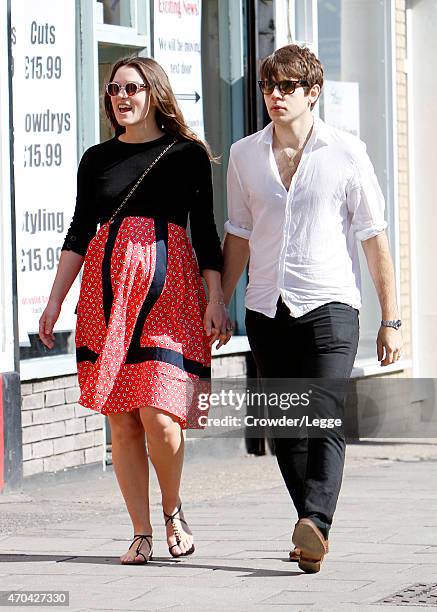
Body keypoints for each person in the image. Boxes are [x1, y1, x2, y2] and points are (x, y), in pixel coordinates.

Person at [39, 56, 232, 564]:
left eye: (132, 87)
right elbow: (79, 233)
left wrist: (217, 299)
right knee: (122, 420)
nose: (121, 97)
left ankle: (173, 511)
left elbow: (205, 232)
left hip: (170, 295)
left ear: (155, 93)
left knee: (161, 414)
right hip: (108, 295)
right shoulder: (96, 159)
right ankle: (141, 532)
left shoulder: (186, 154)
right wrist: (54, 300)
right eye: (113, 89)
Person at [221, 44, 403, 573]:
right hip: (265, 307)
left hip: (330, 305)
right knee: (285, 428)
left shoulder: (347, 152)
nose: (275, 96)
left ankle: (317, 521)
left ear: (312, 92)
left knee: (322, 415)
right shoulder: (243, 155)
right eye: (268, 87)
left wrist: (390, 319)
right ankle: (310, 527)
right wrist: (218, 300)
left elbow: (373, 238)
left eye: (287, 87)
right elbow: (238, 232)